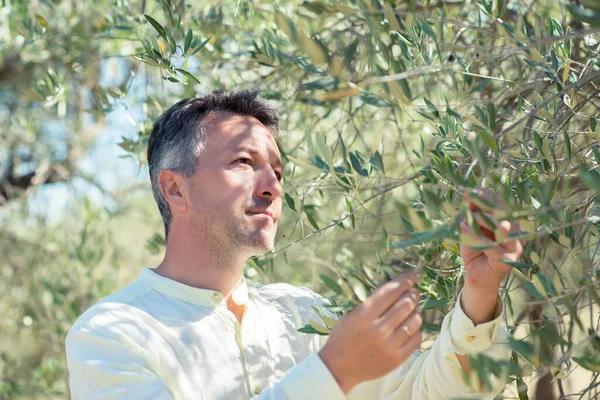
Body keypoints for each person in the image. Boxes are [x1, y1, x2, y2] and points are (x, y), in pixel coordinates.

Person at [65, 89, 522, 399]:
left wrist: (478, 298)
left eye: (278, 172)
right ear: (175, 189)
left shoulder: (305, 314)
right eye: (243, 162)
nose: (272, 186)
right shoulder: (110, 333)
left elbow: (426, 392)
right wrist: (332, 371)